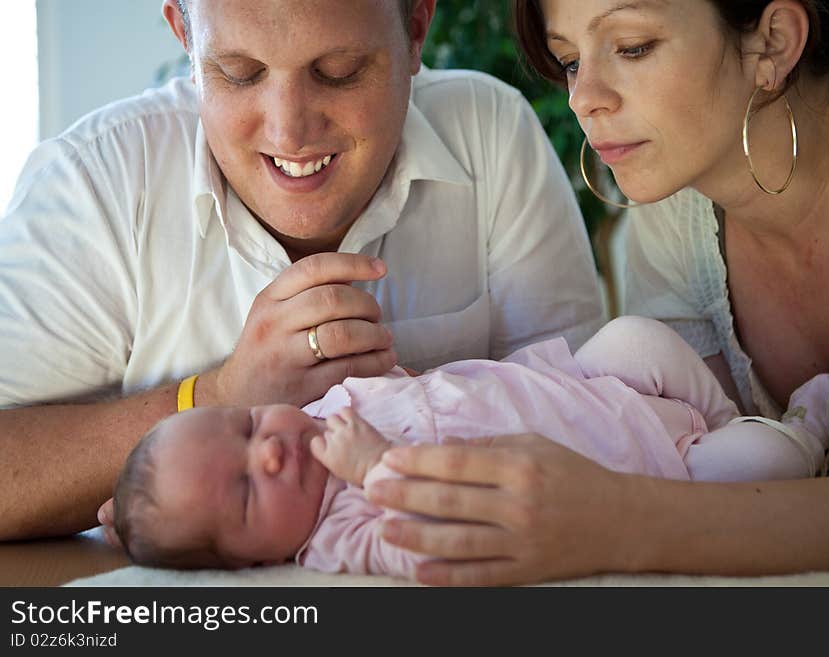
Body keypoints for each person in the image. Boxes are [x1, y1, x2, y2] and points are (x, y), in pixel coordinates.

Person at [0, 0, 605, 541]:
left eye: (338, 70)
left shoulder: (488, 134)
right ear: (185, 35)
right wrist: (219, 396)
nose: (289, 130)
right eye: (239, 72)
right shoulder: (93, 182)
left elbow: (589, 417)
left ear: (417, 25)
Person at [360, 0, 829, 586]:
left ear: (774, 42)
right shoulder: (676, 213)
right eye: (571, 60)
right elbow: (694, 455)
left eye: (632, 47)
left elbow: (669, 506)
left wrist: (625, 522)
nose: (583, 98)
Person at [111, 316, 829, 576]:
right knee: (766, 465)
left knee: (635, 336)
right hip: (660, 473)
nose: (267, 451)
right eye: (244, 491)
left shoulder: (324, 408)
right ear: (251, 561)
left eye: (244, 428)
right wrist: (375, 468)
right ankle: (806, 429)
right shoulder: (340, 536)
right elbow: (429, 544)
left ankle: (731, 412)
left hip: (582, 384)